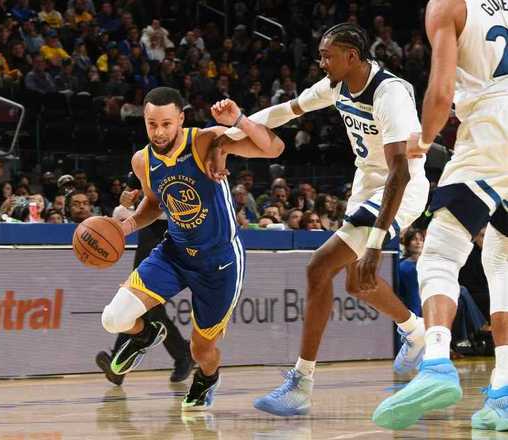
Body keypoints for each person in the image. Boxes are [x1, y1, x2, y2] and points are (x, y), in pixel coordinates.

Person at [213, 23, 429, 416]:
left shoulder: (390, 93)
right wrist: (236, 127)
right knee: (356, 282)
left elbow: (399, 170)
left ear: (352, 56)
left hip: (402, 186)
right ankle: (415, 331)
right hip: (367, 183)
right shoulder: (336, 86)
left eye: (328, 56)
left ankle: (302, 382)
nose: (321, 62)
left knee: (319, 267)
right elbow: (285, 111)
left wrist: (376, 243)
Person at [100, 87, 283, 410]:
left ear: (181, 119)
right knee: (113, 318)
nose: (158, 132)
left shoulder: (205, 140)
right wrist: (127, 226)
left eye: (166, 124)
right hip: (174, 253)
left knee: (201, 350)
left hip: (219, 262)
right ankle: (145, 335)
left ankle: (207, 378)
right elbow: (154, 204)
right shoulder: (142, 161)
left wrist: (239, 119)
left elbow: (274, 148)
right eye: (152, 124)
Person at [373, 0, 508, 430]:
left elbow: (441, 91)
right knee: (500, 259)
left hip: (493, 128)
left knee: (440, 254)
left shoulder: (448, 5)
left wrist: (424, 138)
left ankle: (435, 363)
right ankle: (504, 390)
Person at [95, 179, 194, 386]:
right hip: (148, 227)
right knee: (136, 301)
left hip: (172, 229)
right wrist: (126, 199)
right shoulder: (142, 164)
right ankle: (180, 354)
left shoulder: (183, 166)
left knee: (145, 303)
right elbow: (127, 196)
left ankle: (182, 354)